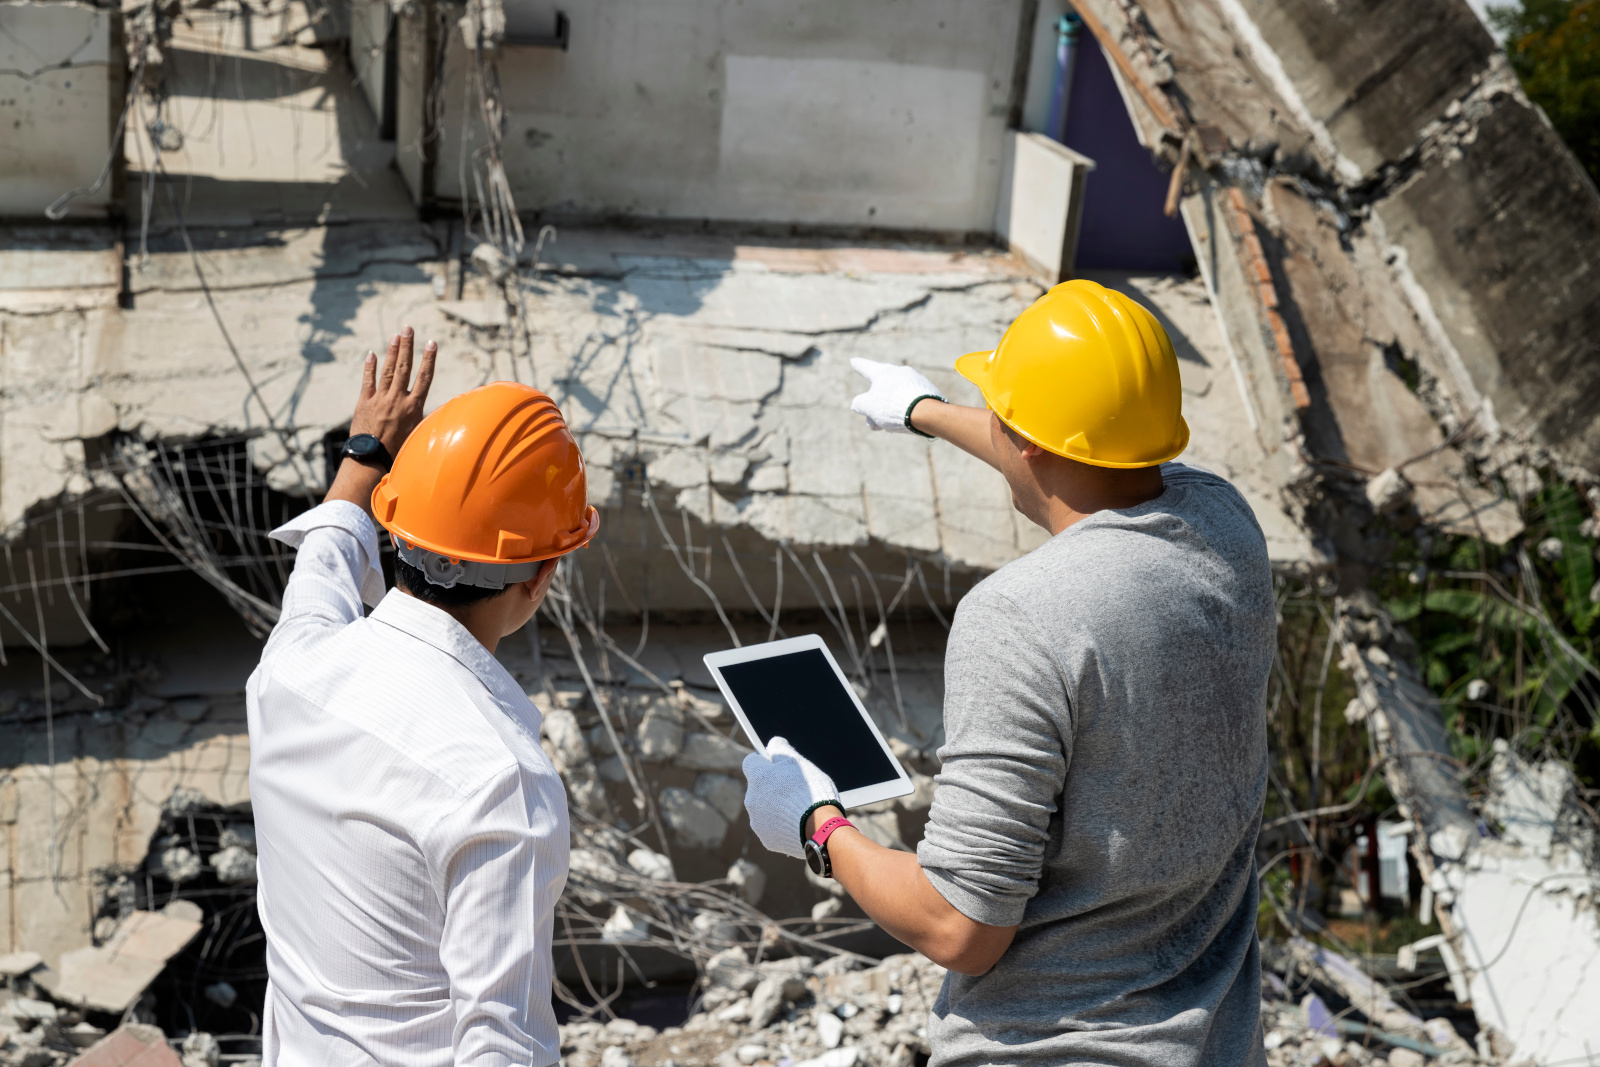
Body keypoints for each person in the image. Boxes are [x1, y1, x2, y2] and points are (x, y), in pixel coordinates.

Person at [741, 280, 1274, 1066]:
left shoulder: (1022, 614)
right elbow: (1079, 452)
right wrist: (924, 410)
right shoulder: (1225, 525)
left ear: (1025, 440)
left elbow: (961, 928)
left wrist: (819, 823)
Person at [247, 328, 598, 1066]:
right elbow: (503, 1046)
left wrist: (366, 451)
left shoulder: (292, 670)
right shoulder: (500, 782)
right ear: (539, 577)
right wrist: (370, 462)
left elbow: (328, 552)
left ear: (397, 529)